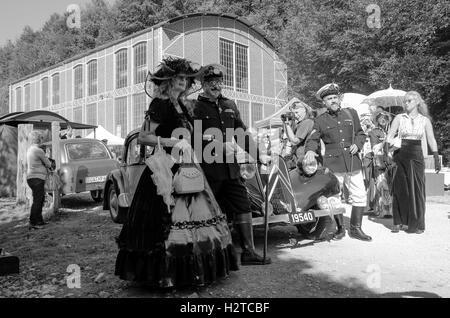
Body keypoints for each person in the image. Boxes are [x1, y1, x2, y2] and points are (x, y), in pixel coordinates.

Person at [115, 57, 238, 289]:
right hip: (166, 168)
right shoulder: (160, 104)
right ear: (169, 80)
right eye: (179, 78)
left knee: (201, 213)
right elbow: (144, 137)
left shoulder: (183, 105)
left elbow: (188, 135)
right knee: (164, 220)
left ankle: (194, 272)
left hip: (188, 164)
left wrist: (212, 140)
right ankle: (165, 274)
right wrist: (173, 141)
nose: (183, 82)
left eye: (186, 79)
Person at [193, 64, 271, 265]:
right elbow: (193, 138)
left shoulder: (230, 105)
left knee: (242, 205)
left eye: (218, 82)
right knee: (209, 210)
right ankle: (210, 255)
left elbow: (242, 133)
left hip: (231, 168)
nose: (215, 86)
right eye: (210, 82)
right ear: (203, 84)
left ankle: (248, 251)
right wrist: (216, 144)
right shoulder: (195, 107)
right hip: (209, 168)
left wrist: (258, 154)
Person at [304, 83, 372, 241]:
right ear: (324, 102)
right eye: (329, 98)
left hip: (352, 160)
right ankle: (340, 229)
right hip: (333, 163)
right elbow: (313, 138)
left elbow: (361, 133)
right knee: (334, 197)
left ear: (339, 99)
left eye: (335, 97)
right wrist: (309, 150)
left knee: (360, 194)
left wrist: (358, 143)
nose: (333, 100)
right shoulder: (320, 120)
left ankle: (356, 229)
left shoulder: (351, 113)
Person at [386, 91, 441, 234]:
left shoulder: (425, 120)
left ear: (417, 102)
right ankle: (398, 222)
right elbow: (390, 134)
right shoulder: (399, 117)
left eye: (409, 100)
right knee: (400, 188)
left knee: (417, 189)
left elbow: (431, 139)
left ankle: (416, 224)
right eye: (405, 101)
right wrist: (387, 150)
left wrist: (435, 157)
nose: (406, 103)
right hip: (400, 154)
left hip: (416, 154)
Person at [368, 111, 393, 217]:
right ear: (377, 120)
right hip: (379, 160)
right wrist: (385, 142)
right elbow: (374, 148)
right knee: (381, 184)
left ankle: (389, 210)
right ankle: (380, 210)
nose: (383, 120)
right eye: (381, 118)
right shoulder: (374, 132)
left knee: (390, 185)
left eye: (386, 118)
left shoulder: (391, 131)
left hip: (390, 160)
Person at [26, 131, 53, 229]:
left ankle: (39, 221)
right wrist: (48, 157)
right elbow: (48, 164)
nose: (42, 140)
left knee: (39, 199)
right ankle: (34, 222)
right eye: (41, 138)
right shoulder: (38, 150)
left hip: (32, 178)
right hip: (37, 178)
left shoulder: (30, 149)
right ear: (39, 139)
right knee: (38, 200)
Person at [282, 102, 315, 169]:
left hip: (305, 161)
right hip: (300, 160)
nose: (296, 116)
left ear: (304, 110)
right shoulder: (300, 123)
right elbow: (290, 138)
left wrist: (287, 124)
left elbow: (294, 141)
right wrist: (285, 123)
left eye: (297, 112)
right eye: (294, 114)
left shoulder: (307, 122)